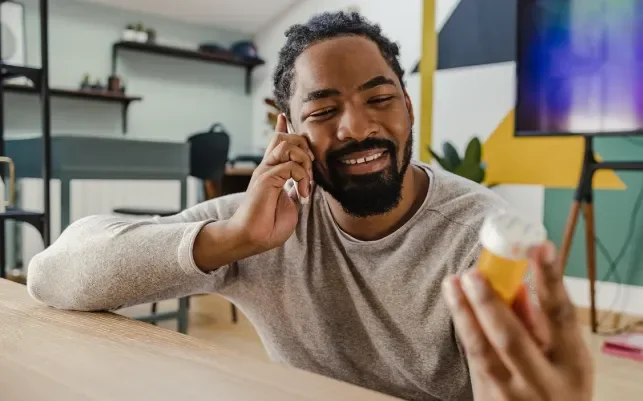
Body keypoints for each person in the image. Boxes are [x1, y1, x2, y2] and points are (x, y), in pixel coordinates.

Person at [27, 11, 593, 401]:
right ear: (288, 129)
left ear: (407, 109)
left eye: (380, 98)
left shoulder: (479, 240)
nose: (358, 126)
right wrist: (232, 240)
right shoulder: (267, 222)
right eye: (323, 110)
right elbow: (51, 274)